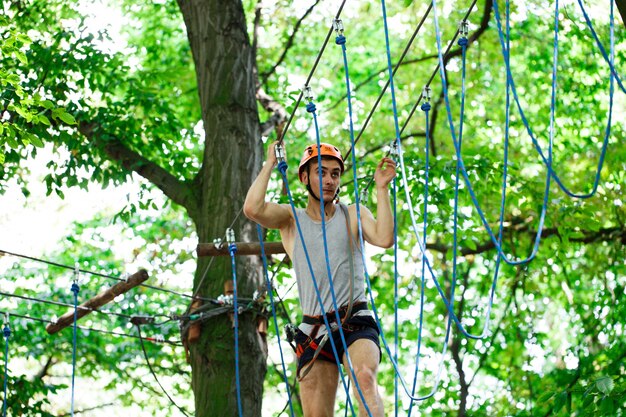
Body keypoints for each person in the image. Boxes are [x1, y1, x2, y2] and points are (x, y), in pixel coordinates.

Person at [243, 141, 396, 417]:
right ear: (305, 177)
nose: (328, 180)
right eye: (321, 173)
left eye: (335, 174)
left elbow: (385, 238)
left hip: (355, 323)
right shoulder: (291, 219)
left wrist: (382, 189)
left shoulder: (353, 214)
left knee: (364, 378)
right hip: (313, 330)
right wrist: (269, 165)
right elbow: (253, 209)